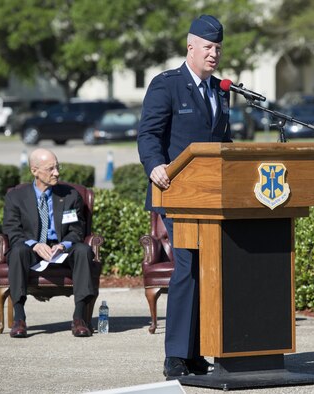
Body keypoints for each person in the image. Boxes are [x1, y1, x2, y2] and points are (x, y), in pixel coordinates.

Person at [137, 14, 232, 378]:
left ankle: (196, 353)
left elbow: (223, 144)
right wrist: (154, 166)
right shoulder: (167, 85)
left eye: (218, 48)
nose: (214, 54)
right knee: (188, 270)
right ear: (190, 47)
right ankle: (175, 355)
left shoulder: (221, 92)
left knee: (208, 272)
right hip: (176, 194)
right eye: (208, 47)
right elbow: (149, 134)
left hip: (212, 199)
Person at [3, 148, 96, 338]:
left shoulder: (70, 195)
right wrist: (35, 244)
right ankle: (19, 318)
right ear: (34, 171)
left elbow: (77, 230)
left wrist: (63, 245)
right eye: (51, 169)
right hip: (32, 248)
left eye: (57, 167)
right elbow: (12, 230)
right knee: (18, 251)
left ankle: (79, 318)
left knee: (83, 250)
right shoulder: (16, 197)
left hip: (61, 248)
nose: (57, 173)